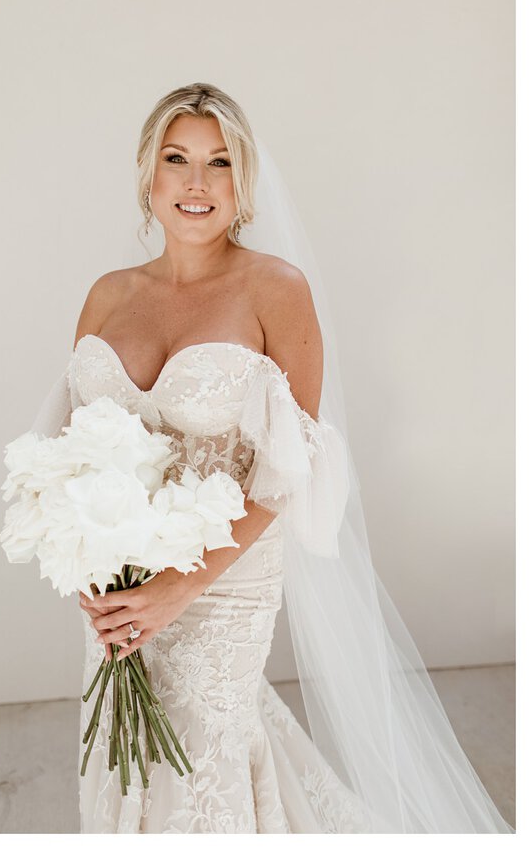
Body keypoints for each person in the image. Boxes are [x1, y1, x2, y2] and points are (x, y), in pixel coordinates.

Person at [27, 83, 510, 833]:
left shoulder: (274, 289)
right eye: (177, 158)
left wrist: (178, 589)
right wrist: (87, 563)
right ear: (148, 173)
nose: (196, 182)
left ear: (243, 181)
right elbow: (73, 451)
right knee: (121, 765)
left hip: (224, 583)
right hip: (116, 583)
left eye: (219, 163)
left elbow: (295, 467)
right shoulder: (105, 296)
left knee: (203, 756)